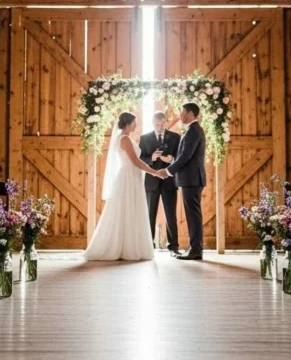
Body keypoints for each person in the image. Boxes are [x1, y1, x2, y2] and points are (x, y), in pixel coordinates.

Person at [84, 112, 156, 262]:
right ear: (127, 124)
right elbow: (135, 161)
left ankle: (129, 246)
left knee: (131, 210)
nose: (136, 126)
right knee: (126, 209)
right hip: (128, 177)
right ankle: (123, 247)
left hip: (133, 176)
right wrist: (154, 172)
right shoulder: (124, 139)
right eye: (134, 123)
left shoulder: (125, 138)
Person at [162, 102, 206, 260]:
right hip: (191, 179)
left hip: (192, 179)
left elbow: (185, 156)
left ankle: (196, 250)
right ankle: (196, 248)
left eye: (182, 112)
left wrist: (167, 171)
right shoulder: (192, 130)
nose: (180, 115)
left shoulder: (194, 131)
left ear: (190, 113)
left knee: (193, 216)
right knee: (193, 215)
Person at [139, 111, 180, 254]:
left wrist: (171, 160)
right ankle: (148, 246)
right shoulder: (144, 138)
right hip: (151, 181)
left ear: (166, 121)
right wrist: (151, 158)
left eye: (163, 123)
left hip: (169, 181)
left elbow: (180, 157)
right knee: (150, 214)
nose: (160, 126)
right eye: (157, 123)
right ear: (153, 123)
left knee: (171, 214)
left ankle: (173, 246)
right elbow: (140, 159)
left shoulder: (175, 137)